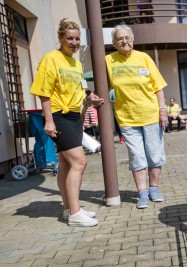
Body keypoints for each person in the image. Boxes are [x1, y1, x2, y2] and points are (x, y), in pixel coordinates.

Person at [30, 18, 104, 227]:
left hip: (74, 116)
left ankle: (68, 209)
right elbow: (44, 92)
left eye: (77, 39)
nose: (73, 42)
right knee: (80, 162)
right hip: (58, 116)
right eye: (69, 38)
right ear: (60, 38)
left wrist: (90, 101)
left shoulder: (76, 63)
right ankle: (75, 213)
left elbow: (78, 93)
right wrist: (49, 121)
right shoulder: (51, 59)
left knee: (65, 163)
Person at [105, 24, 168, 209]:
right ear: (114, 43)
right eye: (119, 39)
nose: (124, 41)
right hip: (127, 118)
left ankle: (154, 188)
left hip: (150, 114)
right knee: (137, 156)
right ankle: (142, 192)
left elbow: (158, 87)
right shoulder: (108, 61)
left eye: (127, 38)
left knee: (154, 155)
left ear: (132, 40)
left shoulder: (144, 58)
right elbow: (104, 86)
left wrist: (162, 110)